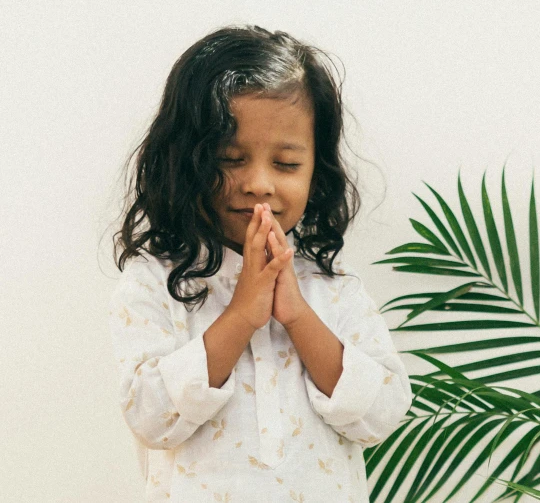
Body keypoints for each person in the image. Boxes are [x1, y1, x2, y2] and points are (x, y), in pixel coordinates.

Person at [108, 25, 413, 502]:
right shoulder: (153, 283)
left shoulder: (336, 291)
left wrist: (297, 315)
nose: (259, 184)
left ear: (318, 170)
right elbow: (151, 418)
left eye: (287, 164)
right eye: (231, 159)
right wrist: (243, 313)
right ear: (186, 161)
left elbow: (381, 415)